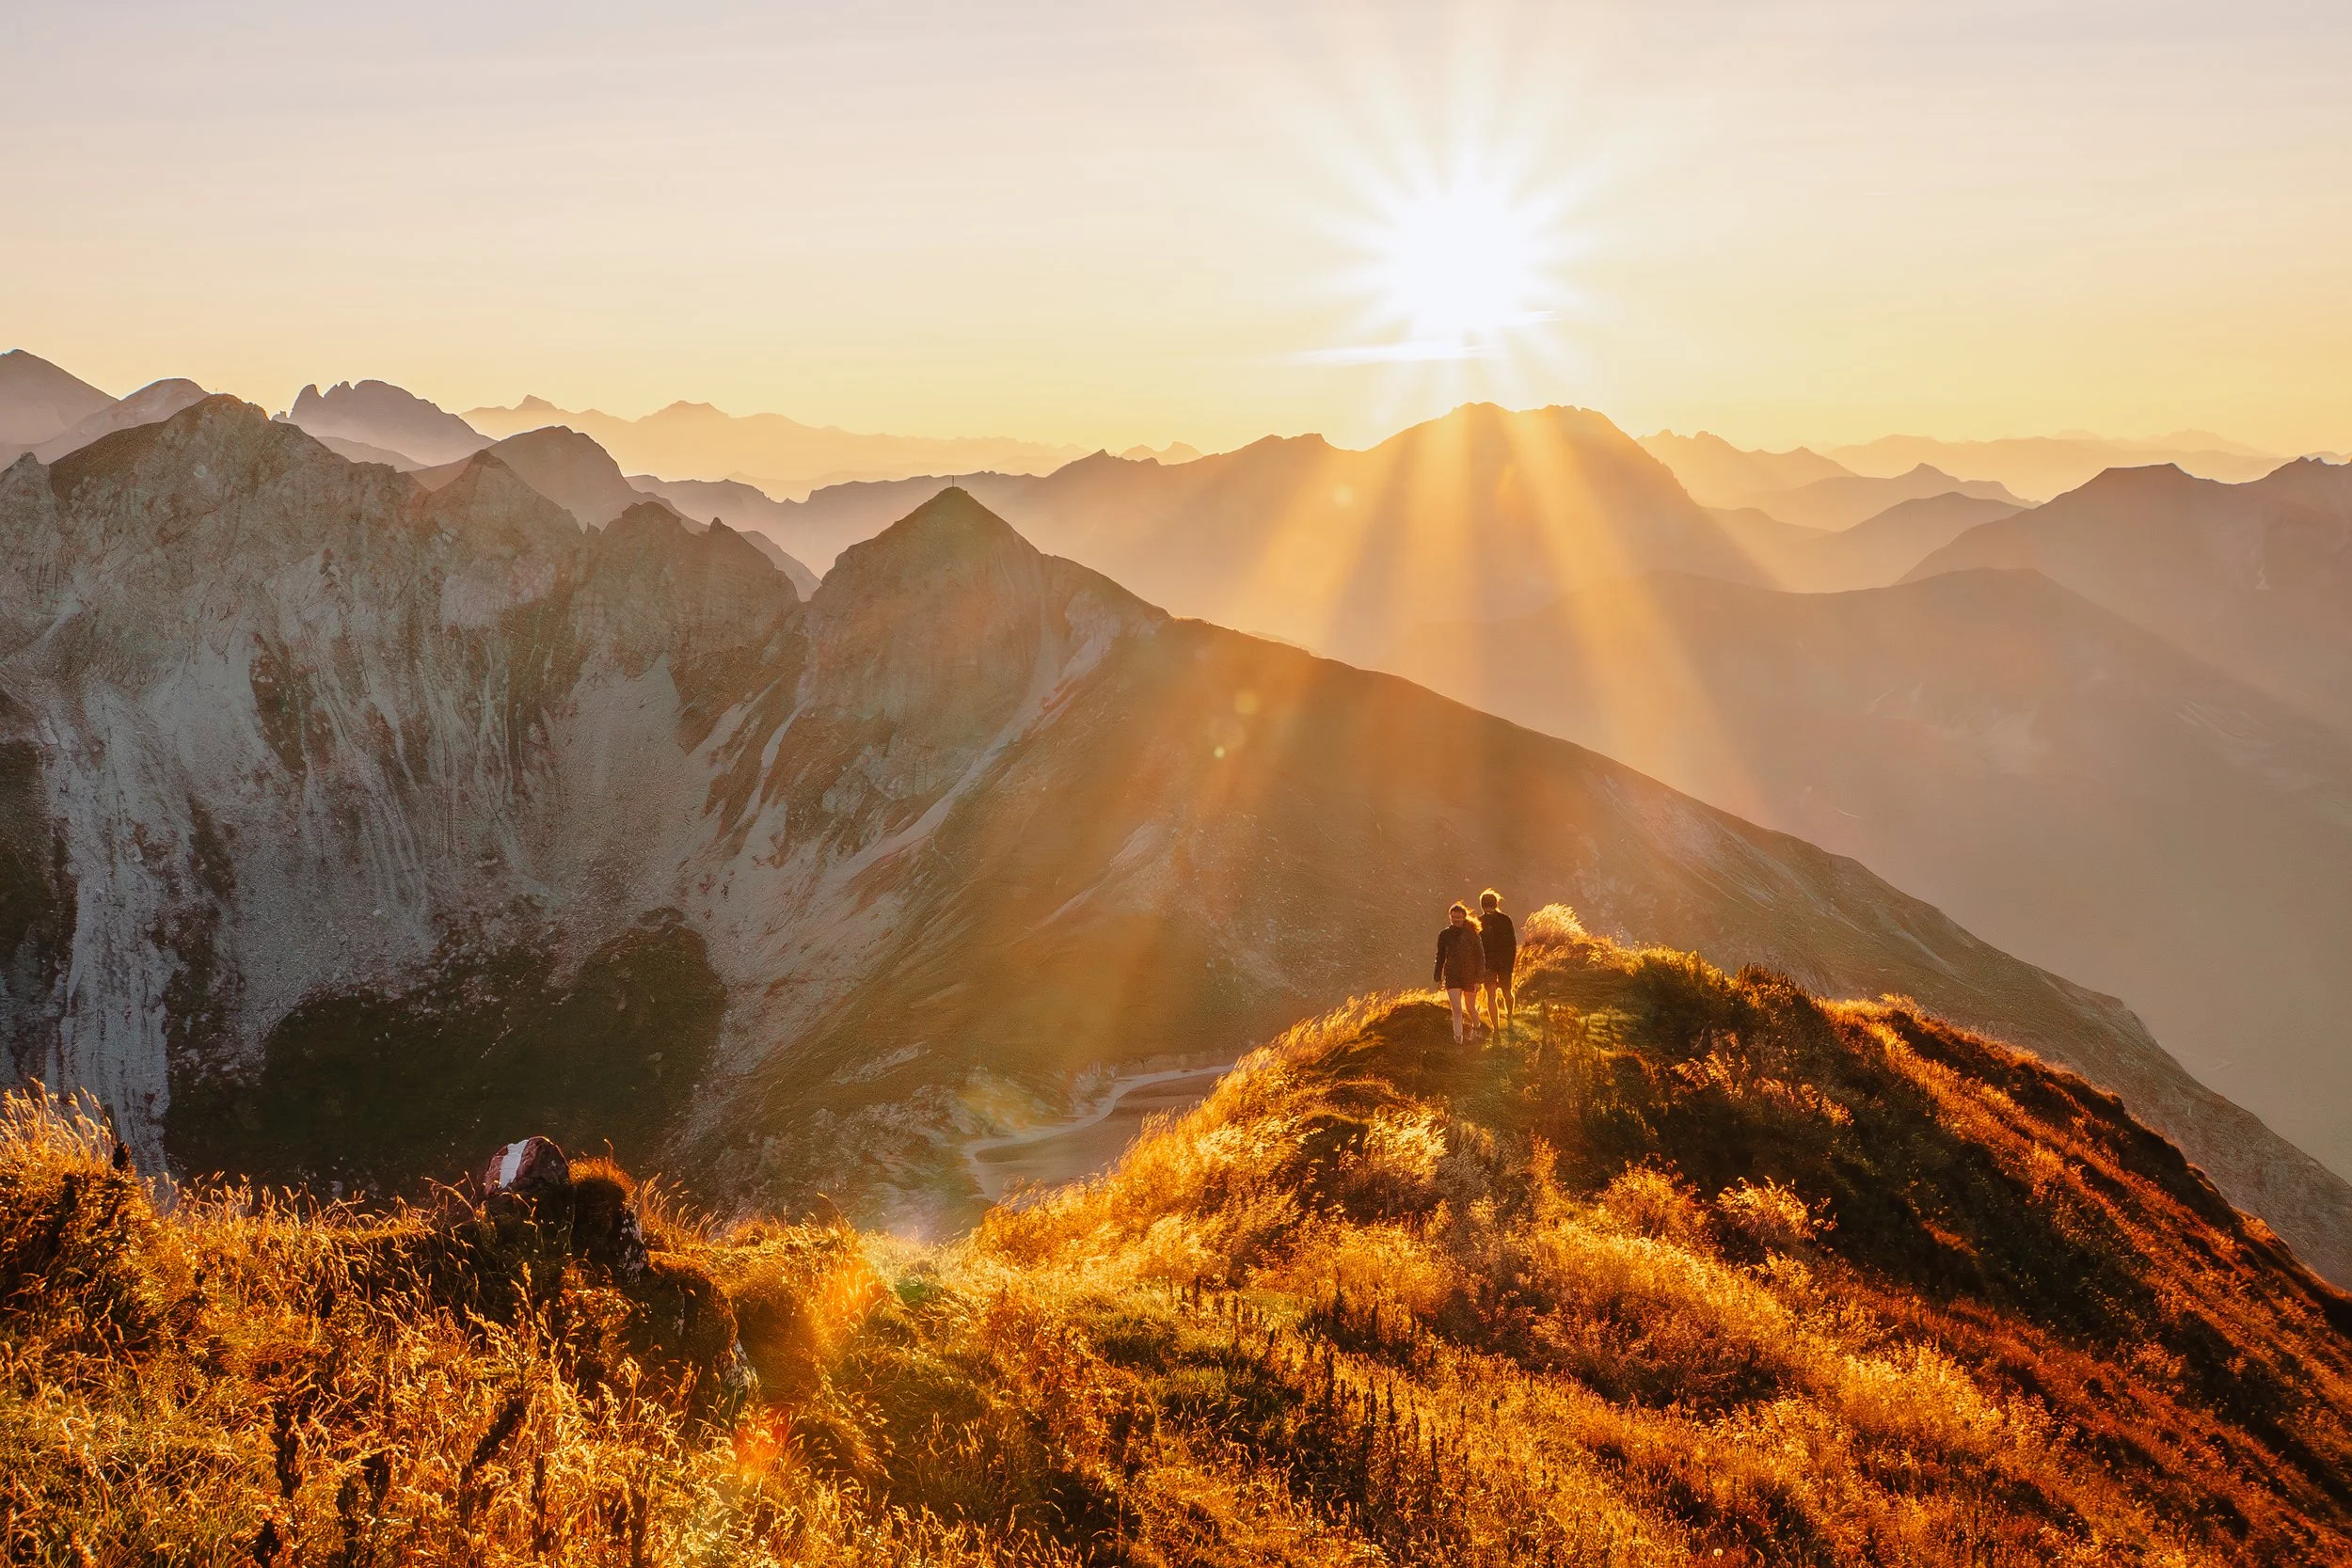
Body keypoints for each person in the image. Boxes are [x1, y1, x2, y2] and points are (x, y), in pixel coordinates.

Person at [1434, 902, 1487, 1044]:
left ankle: (1477, 1028)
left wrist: (1479, 979)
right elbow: (1440, 956)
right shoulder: (1444, 935)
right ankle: (1458, 1040)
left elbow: (1480, 957)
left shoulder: (1472, 934)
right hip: (1452, 976)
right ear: (1449, 917)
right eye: (1453, 918)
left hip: (1470, 976)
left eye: (1459, 918)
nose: (1456, 920)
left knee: (1470, 1007)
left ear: (1464, 917)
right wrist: (1437, 976)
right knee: (1456, 1009)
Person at [1476, 889, 1517, 1033]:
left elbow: (1477, 947)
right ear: (1496, 903)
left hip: (1488, 964)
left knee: (1491, 995)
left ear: (1482, 905)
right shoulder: (1506, 920)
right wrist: (1511, 965)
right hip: (1505, 963)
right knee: (1507, 992)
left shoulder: (1478, 922)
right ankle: (1510, 1017)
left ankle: (1496, 1028)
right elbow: (1512, 944)